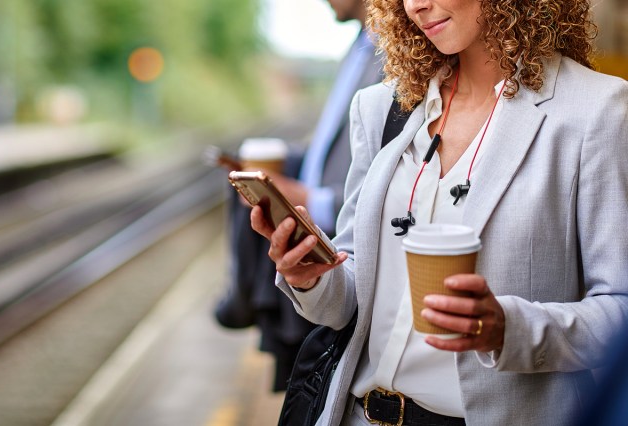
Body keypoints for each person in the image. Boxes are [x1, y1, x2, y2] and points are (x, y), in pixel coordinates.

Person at [251, 0, 628, 424]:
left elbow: (620, 310)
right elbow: (348, 303)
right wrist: (312, 277)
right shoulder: (380, 109)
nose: (416, 6)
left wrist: (508, 328)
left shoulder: (596, 112)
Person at [214, 0, 384, 392]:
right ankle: (243, 294)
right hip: (316, 264)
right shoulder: (359, 46)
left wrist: (310, 197)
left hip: (342, 254)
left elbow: (384, 171)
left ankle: (241, 297)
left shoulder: (396, 51)